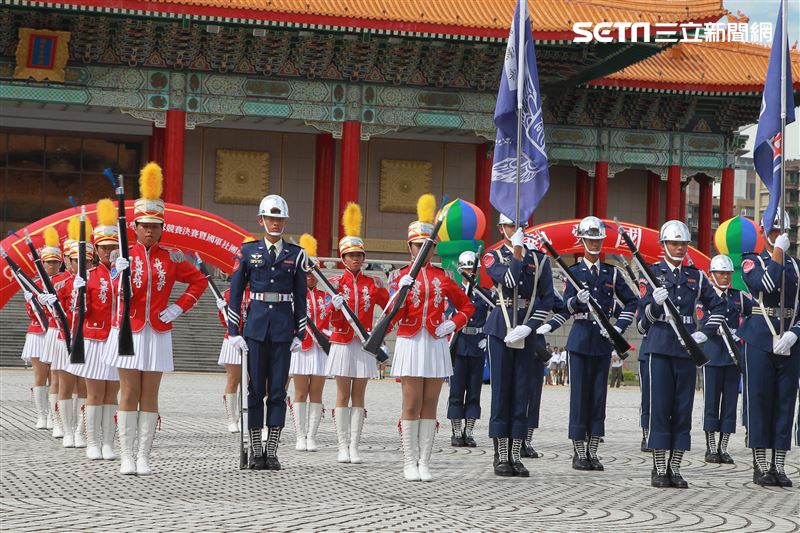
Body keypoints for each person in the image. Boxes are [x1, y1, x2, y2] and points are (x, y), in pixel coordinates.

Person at [107, 162, 208, 475]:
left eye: (155, 225)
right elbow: (110, 295)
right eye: (144, 225)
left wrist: (179, 307)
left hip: (159, 330)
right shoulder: (120, 255)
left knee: (150, 394)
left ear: (162, 228)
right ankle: (126, 455)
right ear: (134, 227)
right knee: (128, 392)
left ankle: (143, 455)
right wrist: (117, 273)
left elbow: (200, 281)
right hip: (128, 328)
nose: (150, 230)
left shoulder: (172, 256)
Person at [538, 216, 638, 471]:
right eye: (590, 239)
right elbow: (566, 307)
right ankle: (579, 451)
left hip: (603, 342)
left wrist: (618, 328)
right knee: (579, 398)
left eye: (598, 240)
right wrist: (576, 300)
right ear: (581, 241)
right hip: (580, 340)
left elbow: (632, 303)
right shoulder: (574, 273)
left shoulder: (612, 272)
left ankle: (593, 450)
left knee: (598, 398)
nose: (594, 244)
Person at [390, 195, 474, 481]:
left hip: (436, 342)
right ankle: (408, 461)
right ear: (409, 247)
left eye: (429, 247)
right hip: (411, 341)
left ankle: (425, 461)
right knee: (411, 404)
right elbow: (391, 316)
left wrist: (452, 323)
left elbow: (467, 307)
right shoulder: (400, 275)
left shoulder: (443, 277)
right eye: (418, 246)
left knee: (430, 404)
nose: (423, 251)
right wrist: (398, 291)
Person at [637, 220, 725, 488]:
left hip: (687, 349)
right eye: (674, 243)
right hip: (659, 346)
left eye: (683, 244)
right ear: (663, 246)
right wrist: (655, 302)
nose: (679, 248)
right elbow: (642, 324)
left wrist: (705, 333)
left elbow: (719, 306)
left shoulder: (696, 276)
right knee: (660, 409)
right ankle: (659, 468)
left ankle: (675, 468)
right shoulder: (650, 274)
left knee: (683, 409)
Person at [227, 194, 307, 471]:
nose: (275, 223)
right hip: (256, 329)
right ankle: (255, 450)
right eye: (271, 218)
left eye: (280, 218)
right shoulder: (247, 252)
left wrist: (301, 333)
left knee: (276, 391)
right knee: (254, 390)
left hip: (284, 328)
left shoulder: (296, 255)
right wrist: (233, 331)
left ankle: (271, 450)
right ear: (261, 220)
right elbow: (236, 294)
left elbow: (301, 296)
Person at [482, 214, 554, 477]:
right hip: (501, 329)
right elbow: (510, 280)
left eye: (519, 226)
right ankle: (501, 454)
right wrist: (518, 251)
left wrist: (531, 326)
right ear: (501, 229)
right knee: (502, 393)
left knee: (522, 393)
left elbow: (547, 299)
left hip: (525, 329)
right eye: (510, 226)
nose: (515, 230)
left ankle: (516, 454)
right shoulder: (492, 256)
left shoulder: (541, 259)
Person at [738, 209, 799, 487]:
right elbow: (767, 284)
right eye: (772, 232)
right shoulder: (751, 261)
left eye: (781, 232)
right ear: (763, 233)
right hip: (761, 336)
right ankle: (761, 463)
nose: (777, 236)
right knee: (760, 400)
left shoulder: (796, 266)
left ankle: (779, 463)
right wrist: (777, 254)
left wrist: (796, 333)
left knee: (784, 402)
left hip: (788, 339)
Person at [325, 203, 389, 464]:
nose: (356, 259)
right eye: (351, 255)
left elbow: (391, 308)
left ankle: (355, 445)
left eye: (360, 255)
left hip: (363, 343)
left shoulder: (372, 284)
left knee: (359, 395)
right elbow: (328, 317)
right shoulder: (335, 284)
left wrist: (380, 332)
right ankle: (342, 445)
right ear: (343, 258)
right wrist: (334, 305)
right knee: (342, 394)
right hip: (341, 341)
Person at [67, 199, 121, 460]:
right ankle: (92, 441)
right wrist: (78, 292)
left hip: (119, 339)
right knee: (94, 393)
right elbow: (79, 313)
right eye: (104, 247)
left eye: (113, 246)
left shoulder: (125, 272)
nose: (108, 251)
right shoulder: (88, 275)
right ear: (96, 250)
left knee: (113, 393)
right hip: (94, 339)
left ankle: (108, 442)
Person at [700, 254, 751, 465]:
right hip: (712, 353)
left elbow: (755, 314)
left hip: (732, 356)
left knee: (730, 402)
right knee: (711, 402)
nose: (725, 277)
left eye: (728, 273)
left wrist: (742, 332)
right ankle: (711, 447)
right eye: (721, 273)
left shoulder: (738, 296)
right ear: (712, 275)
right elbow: (701, 321)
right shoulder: (705, 296)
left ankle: (724, 446)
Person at [290, 234, 330, 453]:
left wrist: (328, 331)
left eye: (313, 272)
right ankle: (299, 435)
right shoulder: (294, 296)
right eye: (305, 273)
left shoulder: (327, 297)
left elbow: (336, 321)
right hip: (301, 347)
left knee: (317, 393)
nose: (309, 277)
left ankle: (312, 436)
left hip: (320, 350)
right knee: (300, 393)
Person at [447, 250, 490, 448]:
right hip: (459, 343)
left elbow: (495, 316)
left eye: (473, 270)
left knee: (474, 391)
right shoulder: (454, 292)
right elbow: (448, 316)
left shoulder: (484, 294)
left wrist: (487, 338)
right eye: (465, 269)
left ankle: (469, 431)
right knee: (456, 391)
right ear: (460, 270)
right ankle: (456, 431)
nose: (470, 273)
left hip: (477, 345)